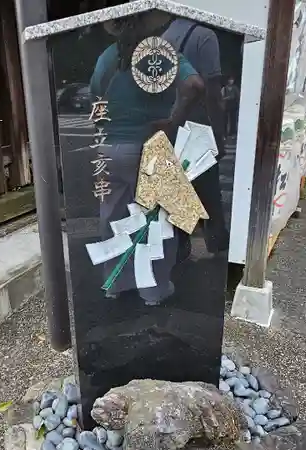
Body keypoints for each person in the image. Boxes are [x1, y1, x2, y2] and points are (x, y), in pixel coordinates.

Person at [89, 12, 204, 305]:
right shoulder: (159, 52)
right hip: (151, 146)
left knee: (113, 218)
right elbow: (194, 85)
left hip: (110, 150)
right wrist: (173, 119)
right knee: (157, 219)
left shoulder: (106, 57)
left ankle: (114, 283)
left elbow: (95, 96)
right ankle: (153, 289)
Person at [162, 19, 229, 255]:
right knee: (209, 189)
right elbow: (212, 93)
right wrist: (219, 134)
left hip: (171, 124)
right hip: (198, 125)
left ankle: (180, 248)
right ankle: (218, 250)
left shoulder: (165, 36)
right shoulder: (205, 36)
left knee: (179, 188)